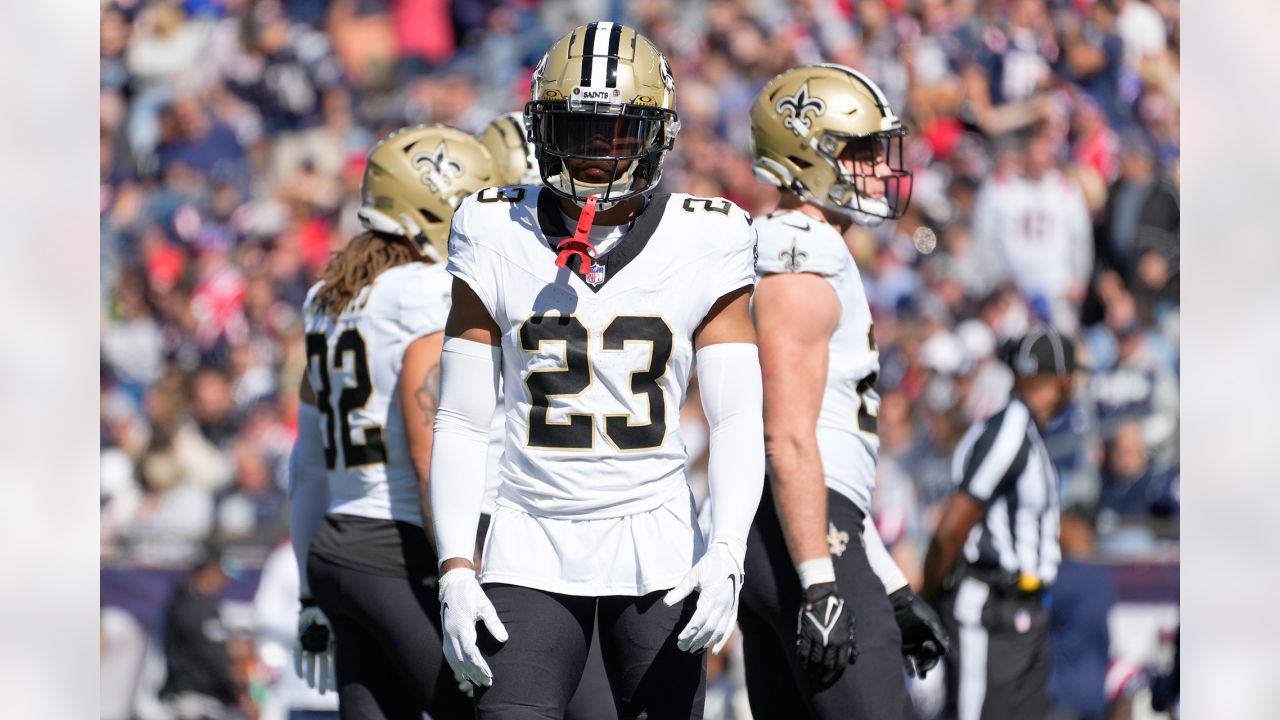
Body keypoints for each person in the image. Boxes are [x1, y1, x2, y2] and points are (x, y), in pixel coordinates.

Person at [428, 23, 765, 719]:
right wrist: (456, 566)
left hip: (659, 542)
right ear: (542, 128)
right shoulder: (493, 229)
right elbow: (461, 417)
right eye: (578, 128)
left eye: (617, 131)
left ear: (657, 135)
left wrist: (727, 549)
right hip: (529, 537)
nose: (596, 151)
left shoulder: (710, 235)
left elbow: (737, 419)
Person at [739, 63, 949, 720]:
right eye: (860, 153)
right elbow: (791, 439)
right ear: (808, 154)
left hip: (799, 532)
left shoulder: (812, 250)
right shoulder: (800, 260)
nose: (881, 171)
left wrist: (886, 583)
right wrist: (823, 584)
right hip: (800, 535)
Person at [288, 124, 498, 719]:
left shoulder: (328, 298)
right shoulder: (425, 292)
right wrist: (458, 565)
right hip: (398, 547)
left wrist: (308, 590)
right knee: (496, 707)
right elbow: (429, 448)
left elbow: (305, 465)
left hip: (338, 545)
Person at [921, 326, 1076, 720]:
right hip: (991, 612)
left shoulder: (1024, 432)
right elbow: (951, 530)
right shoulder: (1009, 431)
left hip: (1023, 615)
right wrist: (928, 603)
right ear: (1063, 380)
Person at [159, 544, 243, 720]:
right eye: (222, 574)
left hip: (199, 699)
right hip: (196, 702)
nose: (224, 581)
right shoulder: (195, 608)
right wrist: (240, 686)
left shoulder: (188, 602)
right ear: (210, 571)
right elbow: (215, 657)